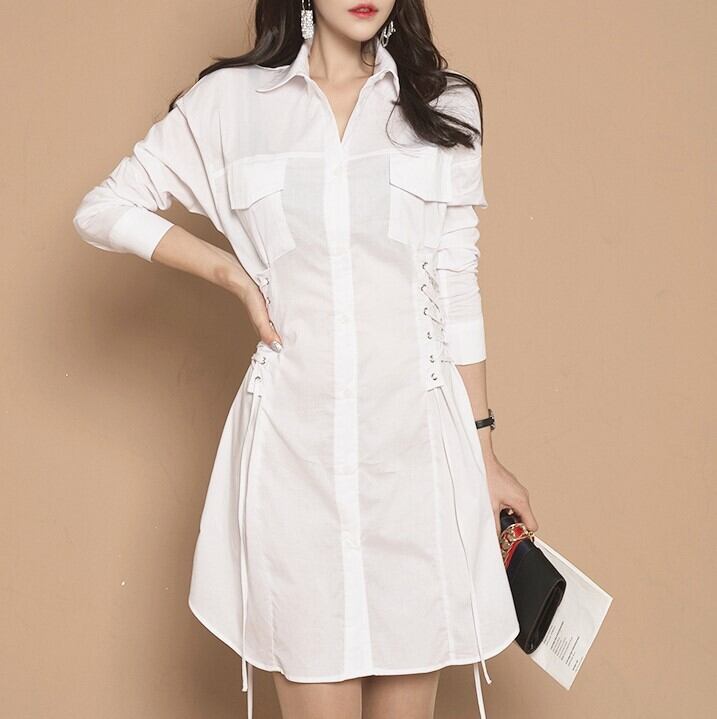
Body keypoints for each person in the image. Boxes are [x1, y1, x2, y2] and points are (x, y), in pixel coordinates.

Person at [73, 1, 539, 718]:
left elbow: (455, 283)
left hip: (415, 466)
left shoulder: (443, 104)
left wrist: (485, 455)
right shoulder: (231, 105)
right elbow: (104, 209)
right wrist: (232, 273)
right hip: (295, 469)